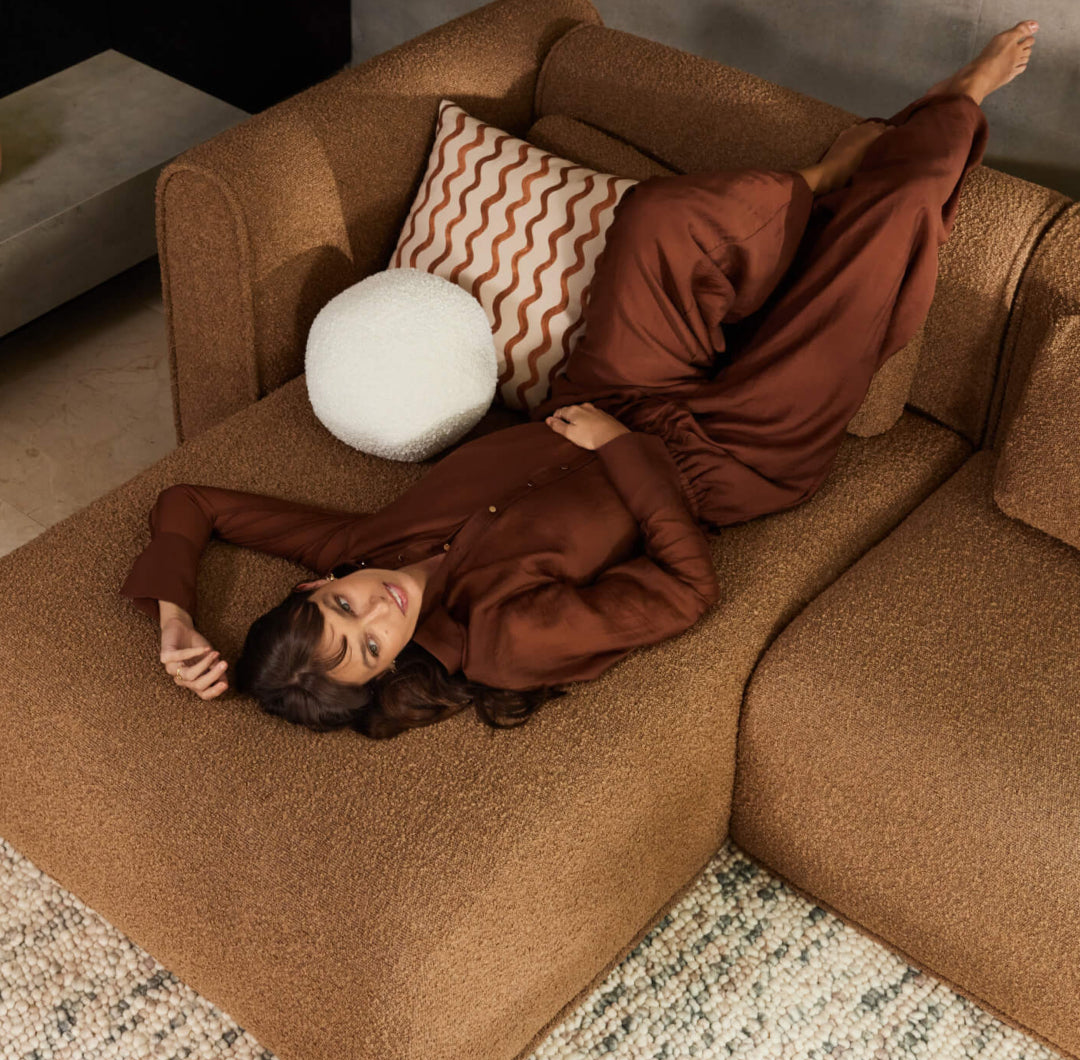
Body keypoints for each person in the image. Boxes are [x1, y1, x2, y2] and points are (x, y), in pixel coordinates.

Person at [120, 21, 1038, 739]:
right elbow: (686, 593)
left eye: (341, 608)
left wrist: (176, 615)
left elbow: (194, 501)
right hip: (726, 463)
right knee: (883, 247)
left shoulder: (363, 539)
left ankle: (818, 175)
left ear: (320, 586)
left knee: (658, 222)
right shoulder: (503, 644)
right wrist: (623, 454)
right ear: (388, 672)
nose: (376, 612)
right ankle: (953, 107)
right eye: (369, 650)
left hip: (606, 390)